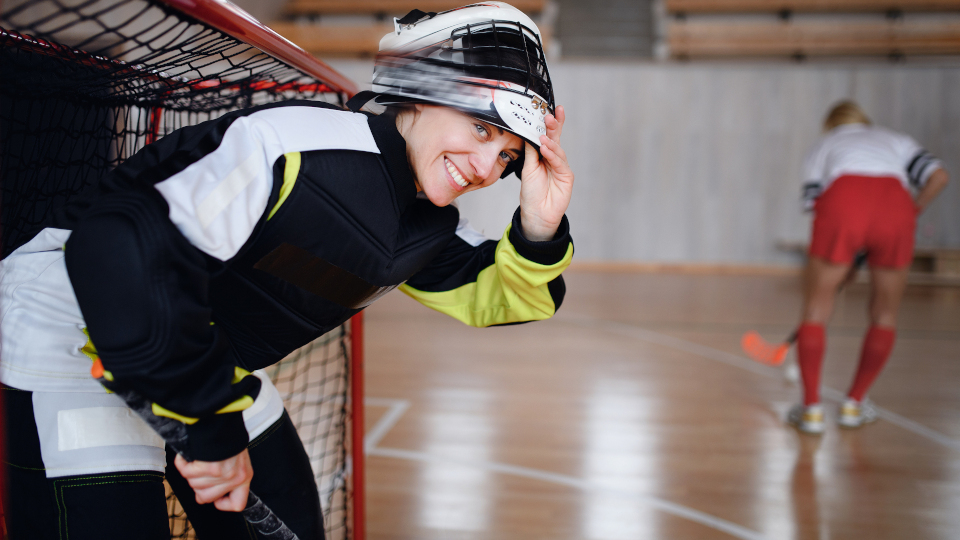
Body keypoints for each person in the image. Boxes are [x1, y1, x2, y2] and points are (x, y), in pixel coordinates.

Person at [0, 3, 574, 539]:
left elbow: (505, 298)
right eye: (480, 129)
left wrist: (540, 225)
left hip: (194, 351)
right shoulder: (292, 146)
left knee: (294, 521)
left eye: (505, 155)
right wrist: (208, 425)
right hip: (70, 325)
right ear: (423, 93)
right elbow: (116, 250)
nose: (483, 167)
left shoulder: (429, 227)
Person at [787, 101, 949, 434]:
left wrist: (841, 261)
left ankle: (812, 410)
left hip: (843, 202)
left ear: (831, 124)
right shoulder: (896, 139)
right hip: (895, 206)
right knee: (884, 315)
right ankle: (854, 405)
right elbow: (939, 177)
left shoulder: (826, 143)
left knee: (816, 310)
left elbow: (813, 202)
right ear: (865, 122)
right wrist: (910, 213)